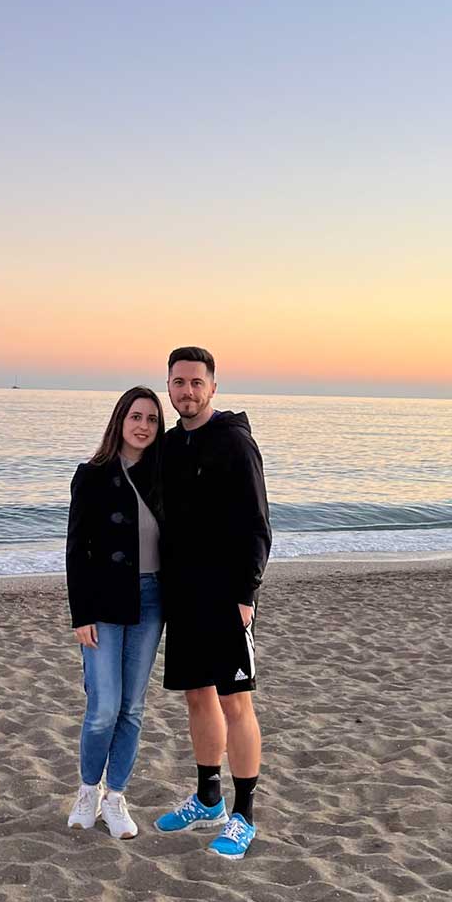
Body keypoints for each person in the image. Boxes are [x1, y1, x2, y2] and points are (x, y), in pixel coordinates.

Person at [155, 347, 271, 860]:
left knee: (235, 701)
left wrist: (246, 593)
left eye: (196, 382)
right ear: (170, 387)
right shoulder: (170, 446)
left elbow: (257, 525)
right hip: (183, 596)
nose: (187, 391)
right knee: (197, 697)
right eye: (178, 383)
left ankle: (243, 813)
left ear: (213, 388)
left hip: (227, 597)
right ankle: (207, 797)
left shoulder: (235, 444)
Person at [65, 387, 165, 839]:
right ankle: (88, 789)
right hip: (103, 603)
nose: (143, 426)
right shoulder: (92, 475)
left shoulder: (166, 475)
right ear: (119, 421)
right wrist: (80, 613)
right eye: (135, 417)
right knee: (103, 708)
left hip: (152, 601)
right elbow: (76, 551)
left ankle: (116, 798)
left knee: (132, 709)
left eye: (151, 419)